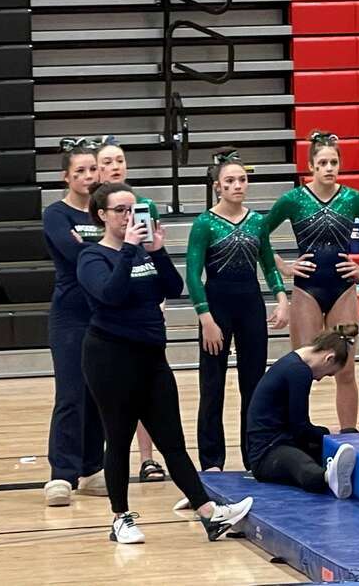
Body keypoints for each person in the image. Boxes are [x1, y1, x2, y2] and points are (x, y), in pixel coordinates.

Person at [77, 181, 253, 544]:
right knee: (119, 437)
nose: (129, 216)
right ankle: (120, 518)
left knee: (172, 440)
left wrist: (156, 251)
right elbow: (110, 294)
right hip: (110, 358)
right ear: (101, 215)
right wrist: (128, 249)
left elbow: (173, 288)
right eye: (121, 211)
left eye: (134, 209)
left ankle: (208, 513)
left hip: (152, 357)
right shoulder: (92, 257)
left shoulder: (141, 253)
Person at [262, 131, 359, 433]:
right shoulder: (293, 200)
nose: (329, 168)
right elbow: (259, 233)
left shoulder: (352, 199)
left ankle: (349, 431)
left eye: (334, 162)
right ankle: (297, 429)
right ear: (311, 166)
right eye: (323, 162)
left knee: (345, 367)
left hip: (343, 292)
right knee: (301, 368)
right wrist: (284, 266)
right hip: (307, 292)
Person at [187, 148, 290, 472]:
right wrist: (206, 318)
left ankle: (253, 454)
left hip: (250, 305)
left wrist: (282, 297)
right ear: (217, 186)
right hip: (216, 306)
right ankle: (212, 460)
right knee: (212, 385)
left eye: (242, 180)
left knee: (254, 384)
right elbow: (192, 273)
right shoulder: (205, 223)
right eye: (229, 181)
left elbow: (268, 264)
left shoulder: (258, 221)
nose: (237, 186)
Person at [95, 134, 165, 483]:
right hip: (99, 315)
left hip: (139, 310)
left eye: (119, 160)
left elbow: (150, 262)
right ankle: (95, 465)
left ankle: (148, 457)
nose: (115, 166)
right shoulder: (95, 216)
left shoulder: (143, 206)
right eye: (107, 161)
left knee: (146, 390)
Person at [42, 138, 107, 507]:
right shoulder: (56, 214)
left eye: (92, 169)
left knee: (98, 393)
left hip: (104, 312)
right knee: (70, 394)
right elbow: (76, 257)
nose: (87, 176)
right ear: (66, 177)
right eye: (79, 171)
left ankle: (92, 467)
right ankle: (61, 474)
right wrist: (105, 249)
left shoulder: (102, 213)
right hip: (70, 313)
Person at [246, 329, 358, 498]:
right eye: (328, 373)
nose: (319, 379)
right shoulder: (298, 372)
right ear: (329, 358)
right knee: (301, 465)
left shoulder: (294, 363)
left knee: (345, 436)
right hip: (267, 453)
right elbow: (300, 427)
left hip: (282, 441)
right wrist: (327, 433)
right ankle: (327, 477)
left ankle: (334, 468)